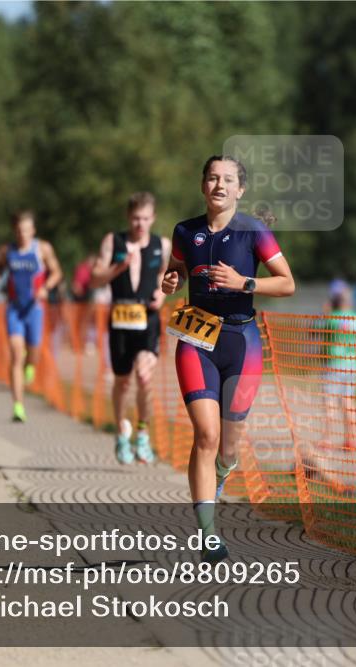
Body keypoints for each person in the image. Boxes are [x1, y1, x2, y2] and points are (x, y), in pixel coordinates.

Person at [161, 156, 295, 562]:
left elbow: (288, 283)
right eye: (213, 178)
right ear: (203, 185)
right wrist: (172, 279)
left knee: (228, 447)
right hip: (196, 336)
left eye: (228, 180)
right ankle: (208, 534)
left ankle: (221, 474)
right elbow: (177, 271)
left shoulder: (254, 232)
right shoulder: (185, 231)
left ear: (240, 190)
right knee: (206, 434)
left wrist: (244, 282)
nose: (220, 185)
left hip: (242, 341)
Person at [90, 192, 171, 465]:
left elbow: (165, 277)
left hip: (147, 320)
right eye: (136, 218)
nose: (140, 224)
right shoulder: (113, 242)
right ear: (128, 217)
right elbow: (94, 279)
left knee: (145, 378)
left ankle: (143, 434)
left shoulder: (162, 244)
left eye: (146, 219)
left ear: (153, 218)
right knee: (123, 382)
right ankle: (121, 431)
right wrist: (118, 267)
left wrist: (162, 294)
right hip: (120, 321)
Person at [0, 210, 63, 423]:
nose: (23, 234)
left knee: (34, 352)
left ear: (33, 230)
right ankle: (18, 406)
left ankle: (30, 365)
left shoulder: (42, 249)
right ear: (15, 231)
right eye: (19, 230)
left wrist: (46, 287)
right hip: (14, 309)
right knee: (15, 354)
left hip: (35, 309)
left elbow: (57, 272)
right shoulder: (8, 251)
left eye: (26, 230)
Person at [321, 290, 356, 450]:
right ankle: (351, 439)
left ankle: (327, 439)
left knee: (330, 402)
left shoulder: (331, 318)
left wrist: (325, 311)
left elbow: (314, 332)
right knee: (349, 401)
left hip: (334, 363)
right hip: (352, 364)